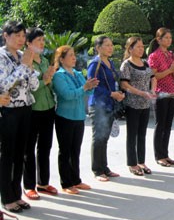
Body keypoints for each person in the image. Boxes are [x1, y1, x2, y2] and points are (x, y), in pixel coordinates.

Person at [0, 21, 39, 213]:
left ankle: (17, 194)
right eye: (16, 35)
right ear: (5, 35)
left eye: (23, 36)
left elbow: (34, 85)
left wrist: (29, 67)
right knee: (7, 155)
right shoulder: (1, 56)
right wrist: (24, 67)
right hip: (9, 110)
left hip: (26, 108)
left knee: (20, 154)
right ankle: (7, 197)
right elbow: (4, 85)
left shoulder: (24, 56)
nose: (21, 39)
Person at [52, 46, 99, 194]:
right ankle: (66, 183)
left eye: (74, 55)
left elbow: (87, 91)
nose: (74, 58)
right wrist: (84, 88)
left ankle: (76, 180)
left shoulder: (77, 73)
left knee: (75, 150)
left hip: (78, 116)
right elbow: (67, 95)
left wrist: (91, 85)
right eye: (70, 55)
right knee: (65, 151)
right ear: (61, 59)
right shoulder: (59, 76)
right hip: (65, 117)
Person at [23, 28, 58, 200]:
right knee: (28, 149)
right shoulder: (25, 61)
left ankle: (42, 183)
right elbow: (29, 87)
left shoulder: (44, 60)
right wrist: (45, 80)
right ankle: (28, 186)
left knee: (45, 147)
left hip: (48, 107)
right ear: (28, 43)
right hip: (32, 109)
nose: (42, 43)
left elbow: (48, 85)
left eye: (43, 40)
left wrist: (51, 79)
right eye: (38, 40)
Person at [87, 36, 125, 182]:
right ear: (98, 48)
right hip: (98, 105)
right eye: (107, 45)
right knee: (98, 137)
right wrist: (111, 94)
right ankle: (97, 170)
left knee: (105, 137)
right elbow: (93, 88)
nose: (111, 48)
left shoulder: (110, 63)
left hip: (109, 104)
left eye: (111, 45)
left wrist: (118, 94)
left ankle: (104, 168)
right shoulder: (94, 65)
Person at [120, 37, 156, 176]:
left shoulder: (145, 63)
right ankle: (132, 163)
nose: (142, 49)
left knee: (142, 135)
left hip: (145, 104)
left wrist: (152, 90)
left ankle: (141, 161)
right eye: (138, 47)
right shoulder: (126, 65)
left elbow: (153, 78)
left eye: (142, 46)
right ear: (130, 49)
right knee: (132, 135)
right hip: (132, 104)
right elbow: (124, 84)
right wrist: (141, 92)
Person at [148, 28, 174, 167]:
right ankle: (159, 155)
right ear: (159, 39)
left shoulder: (171, 54)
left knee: (168, 125)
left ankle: (165, 154)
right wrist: (170, 70)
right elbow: (154, 76)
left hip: (172, 92)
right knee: (160, 125)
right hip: (160, 93)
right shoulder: (154, 56)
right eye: (166, 37)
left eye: (170, 37)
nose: (169, 40)